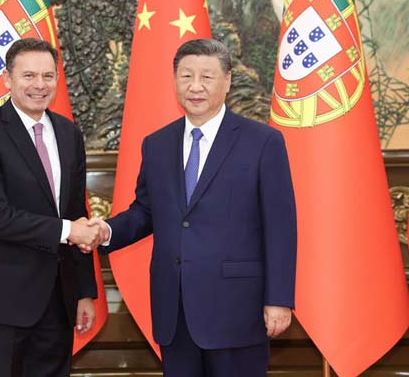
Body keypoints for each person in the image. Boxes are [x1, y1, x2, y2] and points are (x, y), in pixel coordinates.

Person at [92, 39, 297, 376]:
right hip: (175, 312)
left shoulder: (262, 142)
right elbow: (146, 211)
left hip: (237, 311)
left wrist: (279, 299)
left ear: (227, 81)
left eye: (207, 77)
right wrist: (107, 230)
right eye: (186, 76)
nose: (195, 86)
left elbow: (280, 227)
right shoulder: (157, 144)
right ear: (175, 80)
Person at [0, 38, 102, 377]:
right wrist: (67, 230)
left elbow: (76, 210)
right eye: (29, 76)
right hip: (3, 299)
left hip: (59, 298)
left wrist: (83, 292)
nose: (40, 85)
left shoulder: (68, 134)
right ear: (8, 79)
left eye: (48, 76)